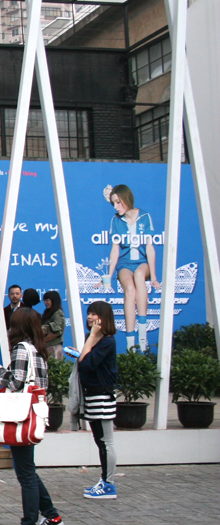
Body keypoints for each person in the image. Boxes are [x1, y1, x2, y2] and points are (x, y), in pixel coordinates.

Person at [0, 310, 64, 525]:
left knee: (25, 474)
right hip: (32, 415)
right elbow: (40, 384)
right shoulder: (39, 350)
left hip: (20, 417)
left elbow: (16, 382)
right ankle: (51, 516)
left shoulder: (21, 349)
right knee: (28, 470)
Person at [105, 184, 161, 351]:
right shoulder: (116, 220)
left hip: (142, 262)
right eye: (113, 203)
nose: (116, 207)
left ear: (126, 199)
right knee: (129, 289)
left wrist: (154, 276)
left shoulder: (144, 216)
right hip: (125, 264)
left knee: (139, 277)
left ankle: (142, 333)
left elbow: (150, 248)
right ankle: (131, 342)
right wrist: (108, 275)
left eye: (118, 202)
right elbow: (115, 250)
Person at [77, 300, 119, 499]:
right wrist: (90, 338)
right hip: (92, 395)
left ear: (104, 317)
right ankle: (104, 480)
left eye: (94, 314)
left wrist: (92, 336)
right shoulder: (91, 338)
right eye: (89, 313)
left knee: (105, 441)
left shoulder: (107, 341)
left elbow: (86, 364)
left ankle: (109, 484)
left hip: (102, 397)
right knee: (99, 440)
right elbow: (83, 361)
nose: (90, 317)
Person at [41, 291, 66, 360]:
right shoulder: (48, 313)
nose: (45, 302)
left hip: (54, 348)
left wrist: (42, 341)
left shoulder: (58, 314)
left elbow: (56, 333)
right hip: (47, 347)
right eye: (44, 300)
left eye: (47, 300)